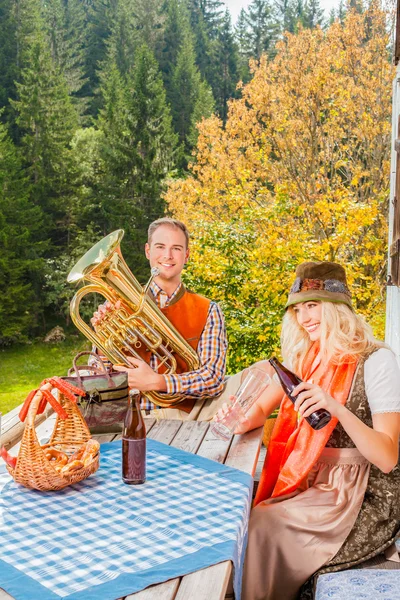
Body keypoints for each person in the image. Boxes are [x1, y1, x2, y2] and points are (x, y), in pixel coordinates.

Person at [215, 261, 400, 600]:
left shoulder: (376, 360)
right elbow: (258, 411)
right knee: (236, 516)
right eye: (298, 309)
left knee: (260, 527)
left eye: (312, 306)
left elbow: (388, 457)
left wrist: (337, 408)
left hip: (358, 493)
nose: (304, 318)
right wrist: (238, 418)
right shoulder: (305, 357)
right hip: (312, 481)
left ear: (338, 307)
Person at [91, 217, 228, 420]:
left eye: (177, 248)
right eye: (160, 247)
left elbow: (214, 379)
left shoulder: (208, 310)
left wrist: (157, 382)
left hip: (183, 418)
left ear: (187, 255)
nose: (168, 255)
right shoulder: (117, 306)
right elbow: (96, 379)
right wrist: (102, 342)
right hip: (127, 417)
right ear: (148, 251)